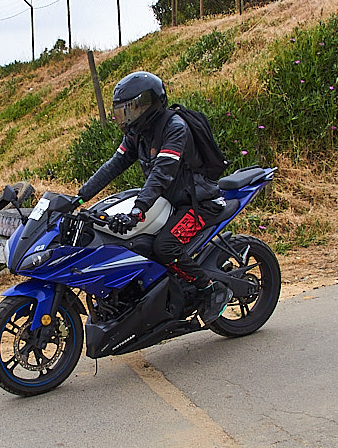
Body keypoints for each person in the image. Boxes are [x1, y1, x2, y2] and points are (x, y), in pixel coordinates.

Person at [76, 71, 232, 325]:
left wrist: (138, 209)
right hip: (167, 201)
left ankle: (210, 289)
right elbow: (114, 165)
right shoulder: (138, 133)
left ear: (150, 103)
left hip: (197, 203)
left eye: (132, 109)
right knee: (137, 245)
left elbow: (162, 173)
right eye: (122, 112)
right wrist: (79, 197)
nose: (127, 117)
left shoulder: (175, 128)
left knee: (164, 247)